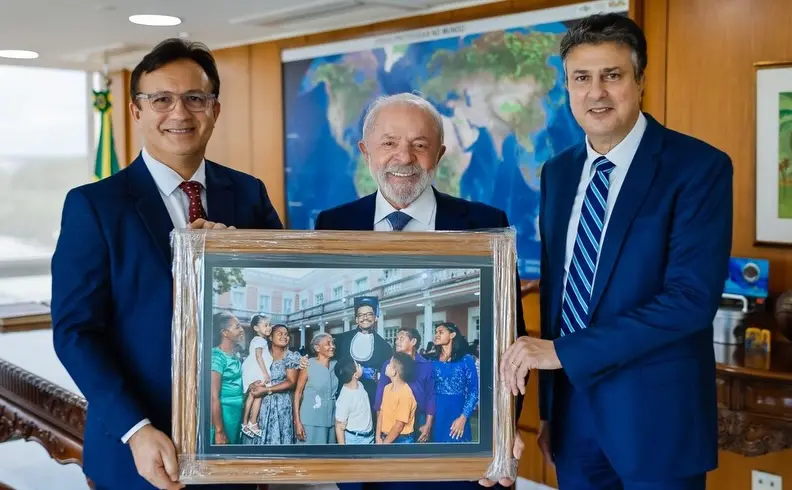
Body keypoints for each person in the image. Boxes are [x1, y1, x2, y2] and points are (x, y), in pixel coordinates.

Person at [500, 14, 733, 490]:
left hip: (657, 421)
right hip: (574, 419)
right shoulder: (558, 173)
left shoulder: (698, 168)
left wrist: (562, 352)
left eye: (612, 75)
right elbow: (558, 295)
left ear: (640, 80)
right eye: (581, 78)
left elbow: (689, 301)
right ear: (567, 87)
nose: (596, 93)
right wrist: (549, 413)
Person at [50, 38, 282, 490]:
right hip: (138, 451)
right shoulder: (94, 206)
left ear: (215, 110)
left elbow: (274, 300)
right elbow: (76, 332)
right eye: (161, 99)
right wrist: (135, 429)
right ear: (136, 111)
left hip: (236, 443)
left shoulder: (248, 194)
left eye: (195, 98)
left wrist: (238, 259)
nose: (180, 113)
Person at [315, 92, 525, 489]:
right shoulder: (332, 224)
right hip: (366, 462)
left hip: (458, 464)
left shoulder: (487, 225)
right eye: (389, 143)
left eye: (420, 145)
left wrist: (503, 427)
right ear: (365, 151)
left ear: (439, 154)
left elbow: (510, 343)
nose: (404, 157)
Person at [242, 324, 301, 446]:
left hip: (281, 405)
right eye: (280, 334)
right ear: (270, 337)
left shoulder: (291, 356)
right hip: (259, 404)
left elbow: (291, 382)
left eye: (286, 334)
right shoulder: (262, 354)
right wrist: (252, 385)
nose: (284, 336)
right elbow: (249, 371)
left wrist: (266, 390)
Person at [374, 327, 435, 442]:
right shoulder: (389, 364)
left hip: (419, 417)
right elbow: (380, 396)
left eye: (401, 338)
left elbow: (431, 396)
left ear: (413, 341)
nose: (397, 342)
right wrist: (380, 431)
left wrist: (428, 424)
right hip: (393, 419)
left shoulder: (426, 365)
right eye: (396, 339)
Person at [332, 296, 393, 410]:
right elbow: (322, 351)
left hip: (369, 397)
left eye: (369, 314)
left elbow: (387, 375)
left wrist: (376, 376)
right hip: (345, 395)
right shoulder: (342, 339)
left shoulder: (384, 346)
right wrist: (304, 361)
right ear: (356, 319)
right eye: (361, 315)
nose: (365, 318)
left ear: (376, 318)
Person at [428, 322, 478, 443]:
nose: (436, 335)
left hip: (458, 410)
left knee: (457, 448)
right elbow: (429, 390)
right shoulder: (432, 361)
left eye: (441, 332)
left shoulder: (466, 359)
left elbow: (473, 390)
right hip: (438, 412)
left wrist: (463, 417)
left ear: (452, 335)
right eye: (436, 332)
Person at [293, 332, 339, 444]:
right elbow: (297, 394)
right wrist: (297, 422)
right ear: (317, 348)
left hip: (331, 420)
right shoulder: (308, 365)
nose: (332, 346)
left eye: (333, 343)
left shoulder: (337, 365)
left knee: (328, 454)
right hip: (310, 420)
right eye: (328, 344)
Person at [210, 312, 245, 445]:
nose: (241, 329)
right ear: (225, 333)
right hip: (224, 415)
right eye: (237, 327)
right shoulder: (217, 357)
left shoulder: (234, 355)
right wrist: (219, 431)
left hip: (235, 414)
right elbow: (213, 397)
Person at [241, 314, 273, 437]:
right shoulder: (260, 340)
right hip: (258, 370)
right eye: (265, 325)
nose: (269, 327)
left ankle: (245, 423)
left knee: (252, 395)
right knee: (258, 395)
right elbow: (259, 357)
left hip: (252, 369)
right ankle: (253, 422)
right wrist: (265, 373)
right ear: (256, 328)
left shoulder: (256, 340)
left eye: (269, 325)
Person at [377, 352, 418, 444]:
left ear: (394, 372)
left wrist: (384, 445)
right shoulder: (387, 388)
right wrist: (378, 437)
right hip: (385, 436)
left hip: (402, 439)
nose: (386, 365)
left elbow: (399, 425)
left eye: (389, 364)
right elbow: (381, 413)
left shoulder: (406, 395)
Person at [334, 358, 375, 445]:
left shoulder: (359, 384)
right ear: (355, 375)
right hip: (354, 439)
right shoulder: (344, 398)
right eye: (357, 365)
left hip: (369, 436)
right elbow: (339, 426)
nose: (360, 365)